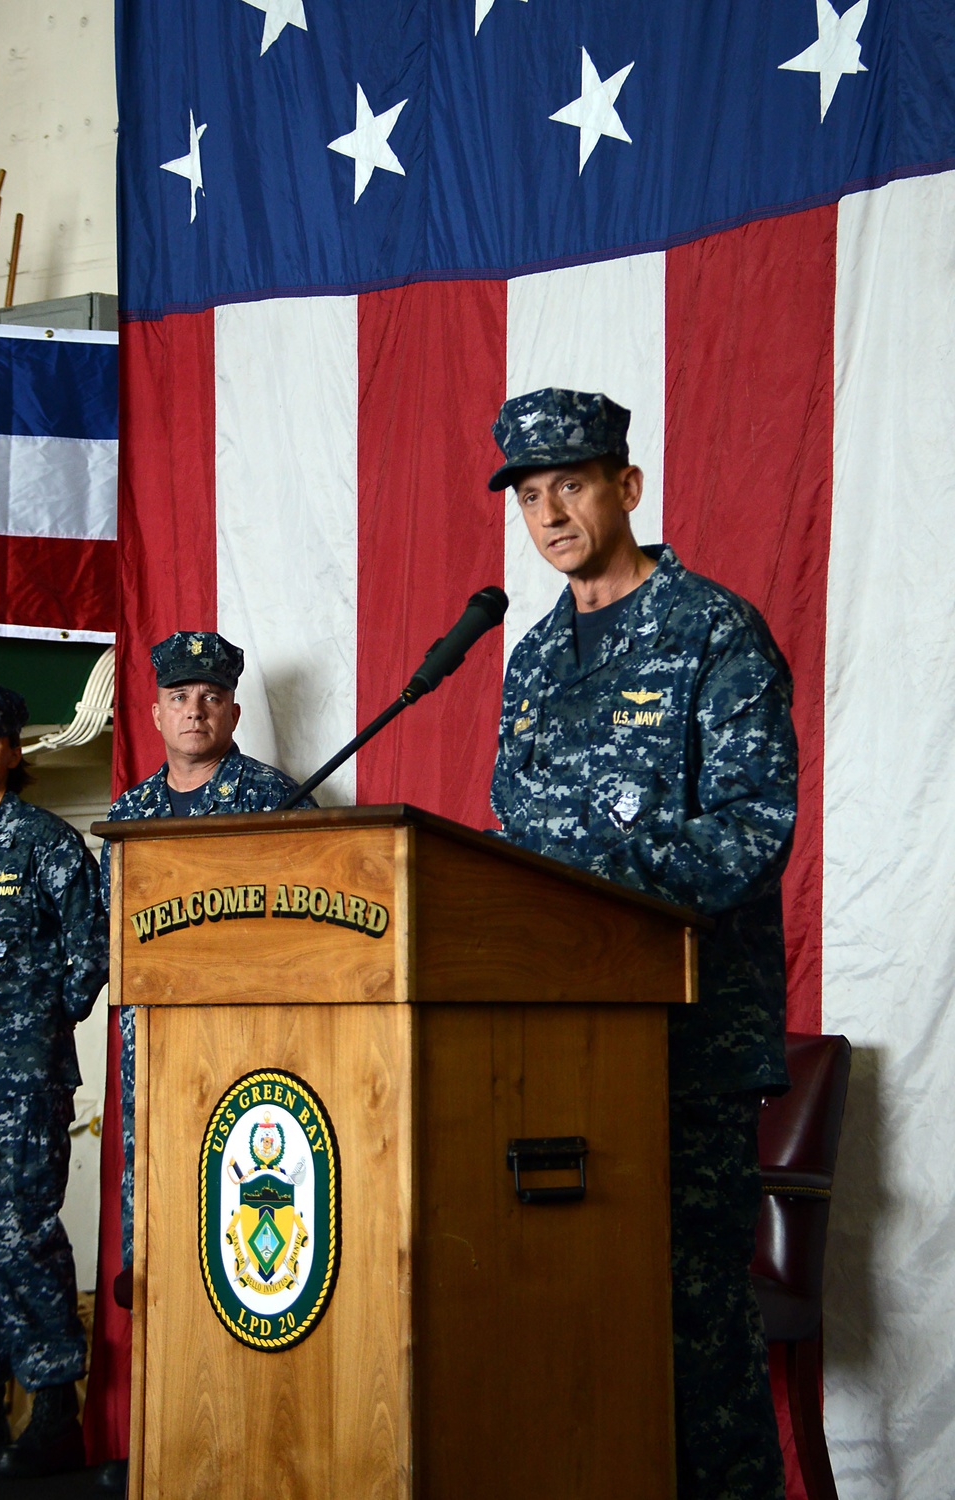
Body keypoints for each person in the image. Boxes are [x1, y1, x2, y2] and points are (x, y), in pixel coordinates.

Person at [488, 389, 797, 1500]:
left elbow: (754, 827)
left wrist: (591, 887)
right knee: (575, 1326)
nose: (550, 512)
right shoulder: (527, 657)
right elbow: (514, 834)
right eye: (529, 495)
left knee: (693, 1331)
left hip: (685, 1045)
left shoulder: (713, 629)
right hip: (549, 1047)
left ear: (627, 485)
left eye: (569, 483)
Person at [102, 630, 316, 1275]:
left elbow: (310, 928)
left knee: (246, 1184)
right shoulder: (128, 814)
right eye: (179, 695)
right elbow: (110, 932)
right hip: (154, 1036)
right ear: (157, 713)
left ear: (234, 712)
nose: (194, 709)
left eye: (211, 696)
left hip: (248, 1033)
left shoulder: (275, 801)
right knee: (158, 1180)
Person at [0, 682, 109, 1479]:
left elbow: (91, 953)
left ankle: (54, 1407)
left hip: (18, 1080)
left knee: (20, 1233)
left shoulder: (46, 843)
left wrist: (37, 1024)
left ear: (13, 753)